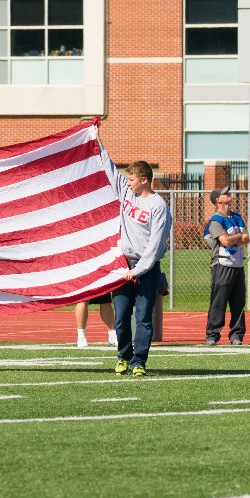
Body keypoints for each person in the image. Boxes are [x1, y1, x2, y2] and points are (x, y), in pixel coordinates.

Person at [100, 154, 173, 377]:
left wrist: (138, 270)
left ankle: (139, 362)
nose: (127, 182)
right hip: (124, 265)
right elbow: (110, 169)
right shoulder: (126, 193)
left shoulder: (158, 206)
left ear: (143, 179)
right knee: (121, 317)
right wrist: (96, 138)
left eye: (131, 179)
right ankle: (123, 356)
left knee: (143, 318)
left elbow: (155, 244)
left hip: (146, 269)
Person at [203, 185, 249, 345]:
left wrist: (233, 237)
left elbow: (246, 239)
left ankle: (236, 335)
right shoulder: (216, 220)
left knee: (238, 302)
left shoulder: (237, 217)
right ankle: (212, 335)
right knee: (219, 301)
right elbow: (225, 241)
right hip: (221, 265)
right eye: (224, 194)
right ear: (218, 200)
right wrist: (238, 236)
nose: (229, 194)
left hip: (237, 265)